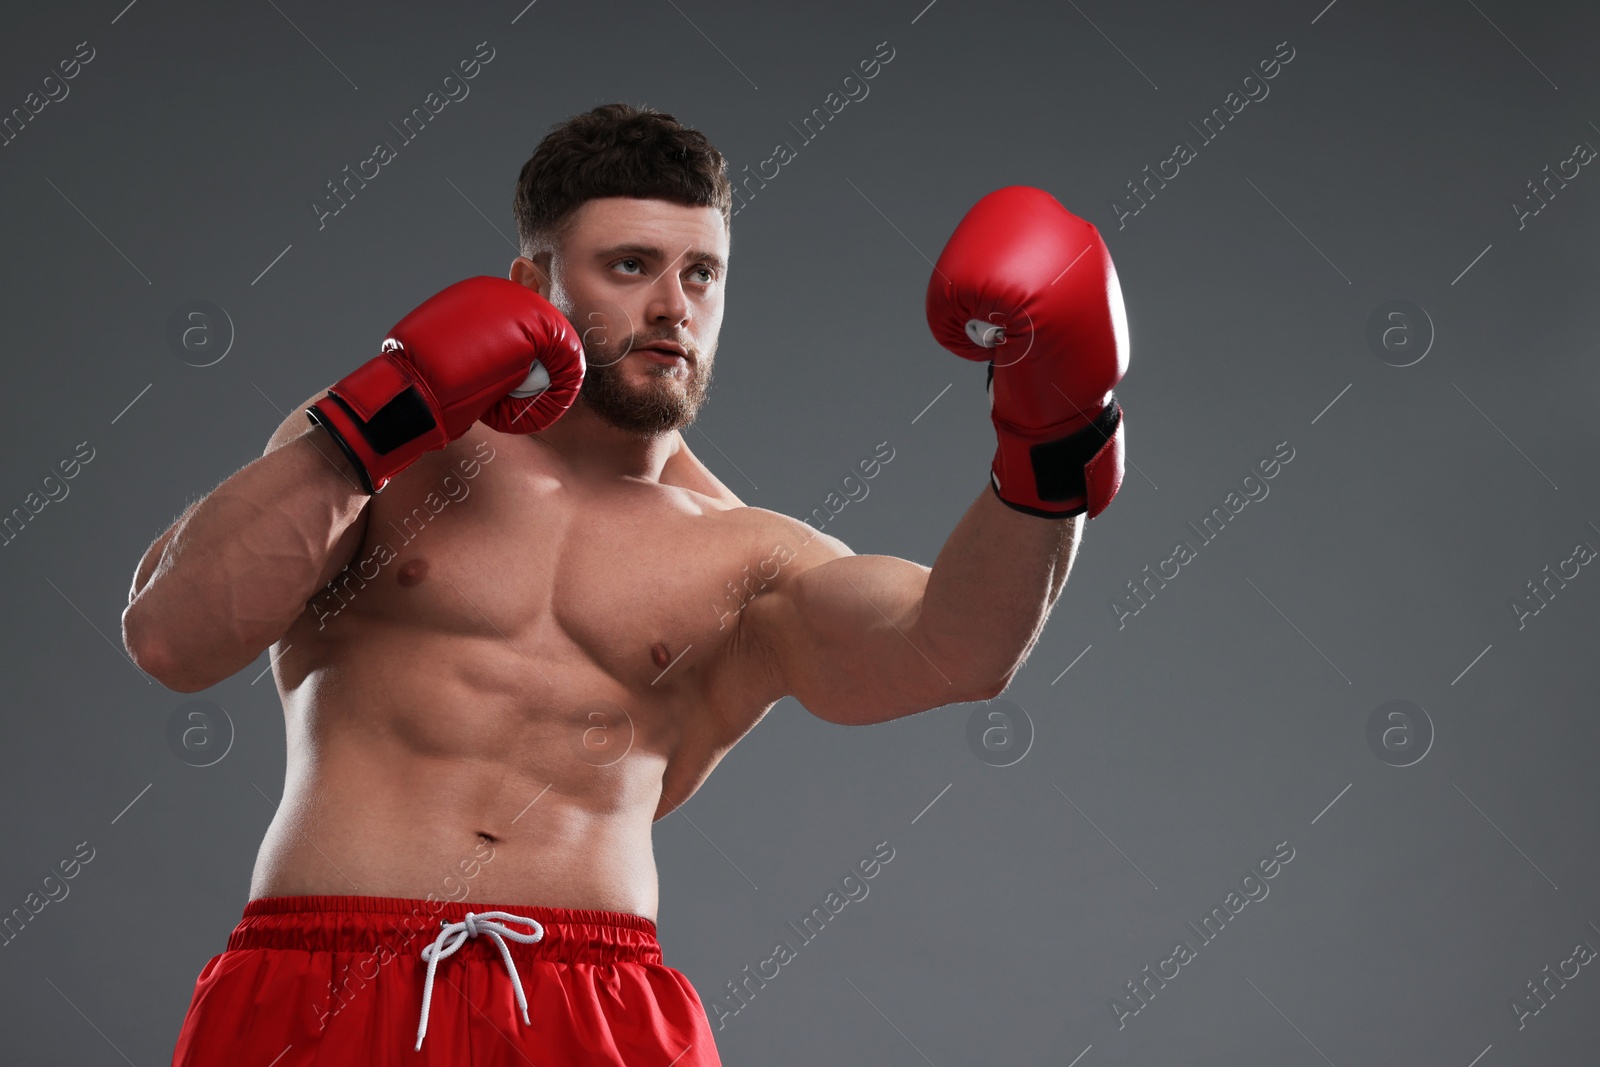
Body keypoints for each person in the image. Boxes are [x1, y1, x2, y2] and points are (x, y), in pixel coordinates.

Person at [122, 103, 1128, 1065]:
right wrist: (372, 421)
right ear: (533, 279)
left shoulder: (748, 554)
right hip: (323, 979)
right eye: (631, 266)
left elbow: (952, 648)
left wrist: (1052, 443)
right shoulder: (388, 456)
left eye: (702, 273)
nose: (671, 305)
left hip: (592, 1006)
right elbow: (173, 635)